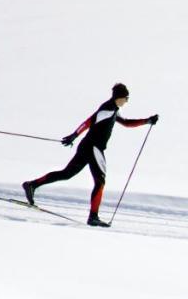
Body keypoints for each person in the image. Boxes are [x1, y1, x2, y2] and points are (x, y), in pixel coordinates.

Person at [23, 83, 158, 226]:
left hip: (87, 147)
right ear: (120, 97)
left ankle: (32, 185)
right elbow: (89, 121)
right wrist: (74, 135)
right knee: (100, 182)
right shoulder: (107, 109)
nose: (127, 101)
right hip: (94, 148)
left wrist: (147, 121)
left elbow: (126, 123)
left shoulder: (112, 109)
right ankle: (93, 217)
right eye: (126, 98)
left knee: (67, 174)